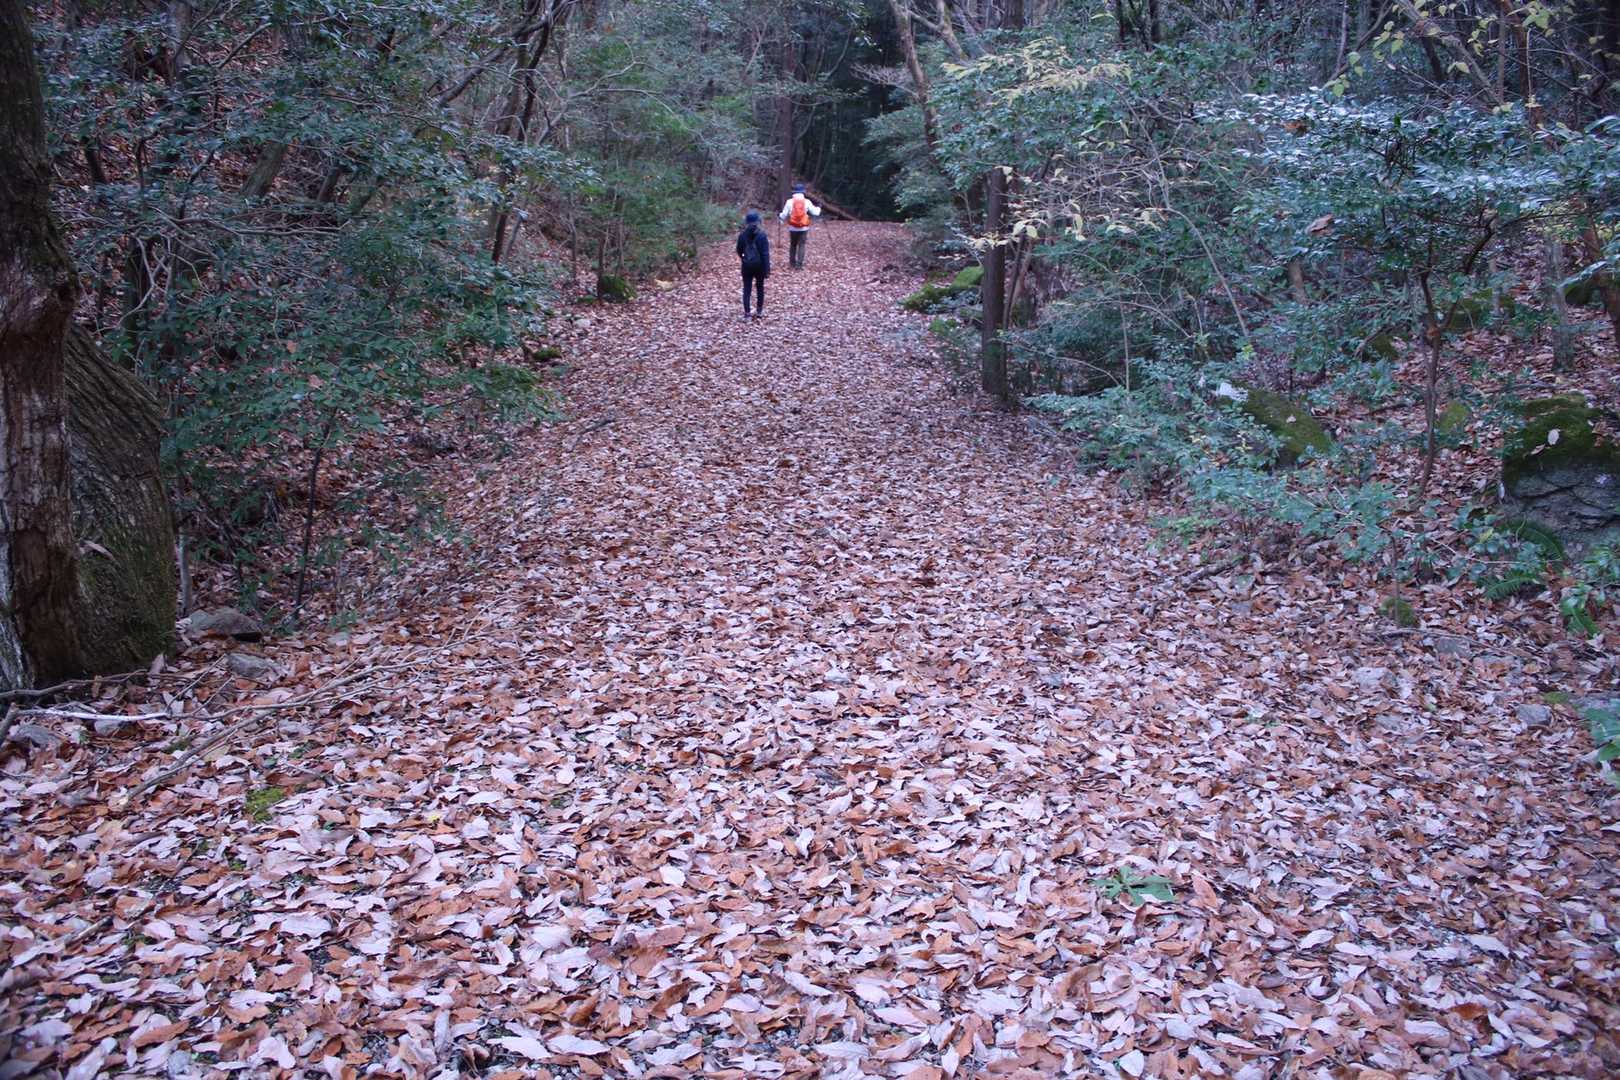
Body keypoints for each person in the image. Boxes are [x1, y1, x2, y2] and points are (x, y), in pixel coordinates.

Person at [736, 210, 770, 319]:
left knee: (747, 289)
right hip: (760, 266)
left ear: (746, 222)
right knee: (760, 287)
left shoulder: (742, 235)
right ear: (758, 221)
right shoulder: (762, 235)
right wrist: (767, 269)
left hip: (747, 266)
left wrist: (744, 258)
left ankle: (747, 314)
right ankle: (759, 311)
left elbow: (739, 250)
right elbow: (765, 254)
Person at [777, 184, 821, 269]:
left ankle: (792, 264)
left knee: (793, 245)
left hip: (793, 227)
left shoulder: (789, 201)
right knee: (802, 245)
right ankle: (799, 265)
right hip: (803, 228)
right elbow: (816, 213)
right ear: (803, 192)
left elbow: (784, 215)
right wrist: (819, 207)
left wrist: (780, 215)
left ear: (794, 192)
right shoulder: (807, 201)